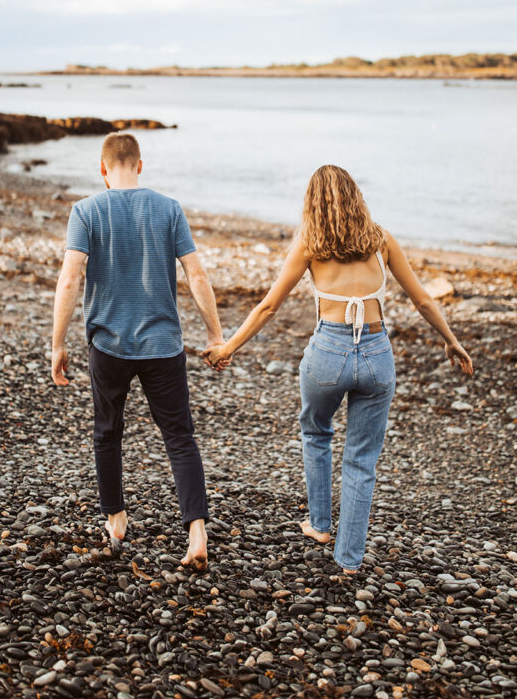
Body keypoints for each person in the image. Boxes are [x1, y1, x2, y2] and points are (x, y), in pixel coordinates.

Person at [203, 164, 473, 575]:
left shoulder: (308, 244)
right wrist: (452, 340)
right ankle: (349, 560)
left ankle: (319, 524)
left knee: (316, 431)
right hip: (377, 353)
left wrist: (228, 347)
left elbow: (269, 306)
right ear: (355, 196)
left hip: (328, 350)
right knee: (362, 460)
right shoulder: (381, 240)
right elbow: (422, 301)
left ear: (312, 203)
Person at [51, 132, 224, 570]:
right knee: (180, 437)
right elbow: (197, 276)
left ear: (103, 169)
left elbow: (70, 279)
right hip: (163, 345)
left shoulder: (86, 211)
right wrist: (215, 335)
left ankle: (117, 519)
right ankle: (197, 533)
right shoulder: (169, 209)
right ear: (140, 165)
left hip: (108, 345)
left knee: (108, 432)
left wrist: (57, 343)